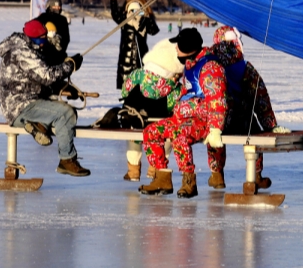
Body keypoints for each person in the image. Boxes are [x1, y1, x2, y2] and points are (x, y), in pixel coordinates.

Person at [140, 28, 227, 199]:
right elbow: (186, 91)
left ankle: (189, 181)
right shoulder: (190, 65)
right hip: (182, 118)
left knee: (179, 135)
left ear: (187, 49)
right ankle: (162, 177)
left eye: (178, 46)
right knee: (150, 132)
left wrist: (215, 128)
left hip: (201, 120)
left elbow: (218, 99)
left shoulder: (210, 68)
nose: (175, 50)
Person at [0, 19, 90, 177]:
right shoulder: (23, 52)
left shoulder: (23, 47)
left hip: (20, 106)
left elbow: (37, 82)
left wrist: (65, 89)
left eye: (44, 38)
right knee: (66, 113)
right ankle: (67, 160)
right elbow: (47, 76)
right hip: (20, 107)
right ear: (31, 38)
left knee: (63, 112)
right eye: (41, 39)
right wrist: (70, 66)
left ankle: (38, 125)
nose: (43, 43)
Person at [206, 26, 287, 189]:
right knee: (255, 130)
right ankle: (255, 174)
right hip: (242, 119)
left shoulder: (209, 64)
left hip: (220, 120)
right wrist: (270, 125)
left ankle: (217, 174)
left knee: (213, 130)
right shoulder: (245, 67)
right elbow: (260, 97)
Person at [118, 29, 201, 182]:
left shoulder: (138, 75)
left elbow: (126, 89)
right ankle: (155, 167)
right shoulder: (174, 86)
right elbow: (176, 103)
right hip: (160, 120)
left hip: (138, 118)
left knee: (133, 137)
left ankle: (133, 169)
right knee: (167, 136)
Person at [106, 0, 160, 89]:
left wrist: (148, 17)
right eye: (132, 11)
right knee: (126, 86)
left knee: (141, 85)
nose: (134, 14)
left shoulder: (144, 22)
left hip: (141, 58)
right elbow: (115, 14)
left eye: (137, 11)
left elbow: (154, 31)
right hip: (126, 58)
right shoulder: (124, 20)